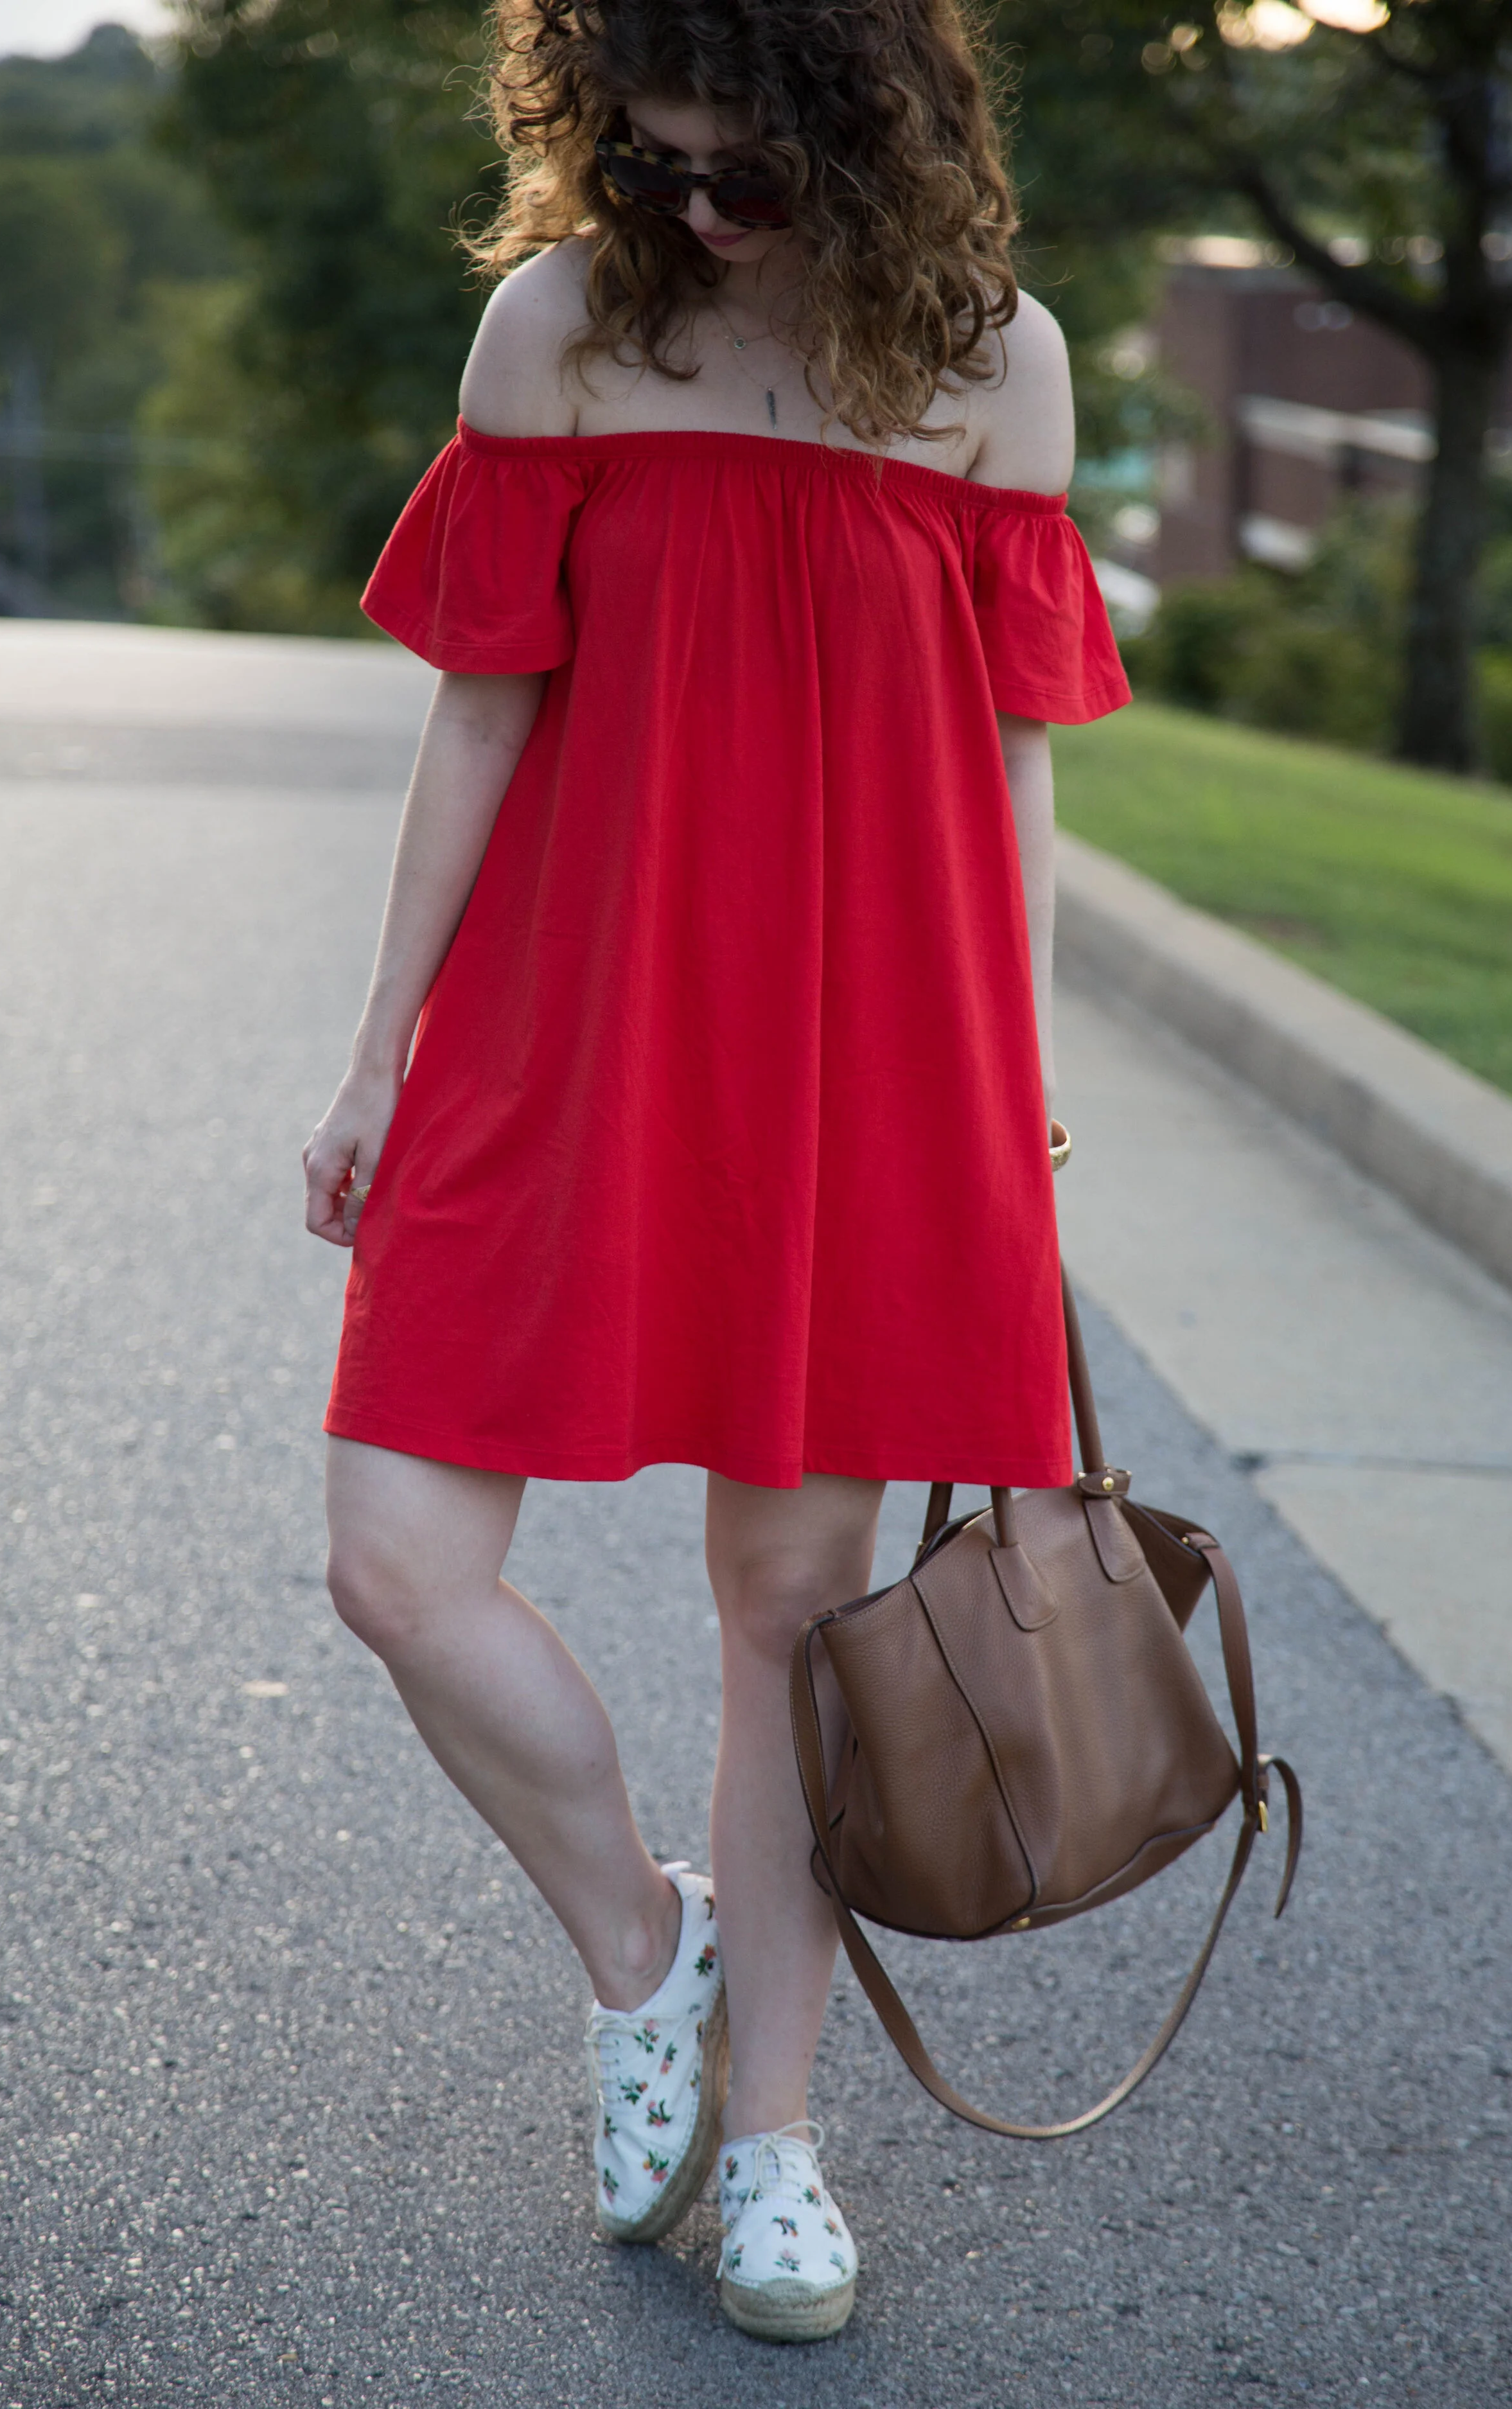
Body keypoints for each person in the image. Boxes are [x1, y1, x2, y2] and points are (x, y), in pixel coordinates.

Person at [303, 0, 1128, 2347]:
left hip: (866, 1055)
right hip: (559, 1033)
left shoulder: (990, 369)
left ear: (859, 136)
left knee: (791, 1618)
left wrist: (1011, 1092)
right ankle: (642, 1953)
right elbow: (480, 702)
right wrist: (378, 1052)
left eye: (734, 173)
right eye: (643, 164)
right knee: (393, 1559)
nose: (686, 211)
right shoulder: (557, 327)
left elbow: (1013, 771)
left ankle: (776, 2137)